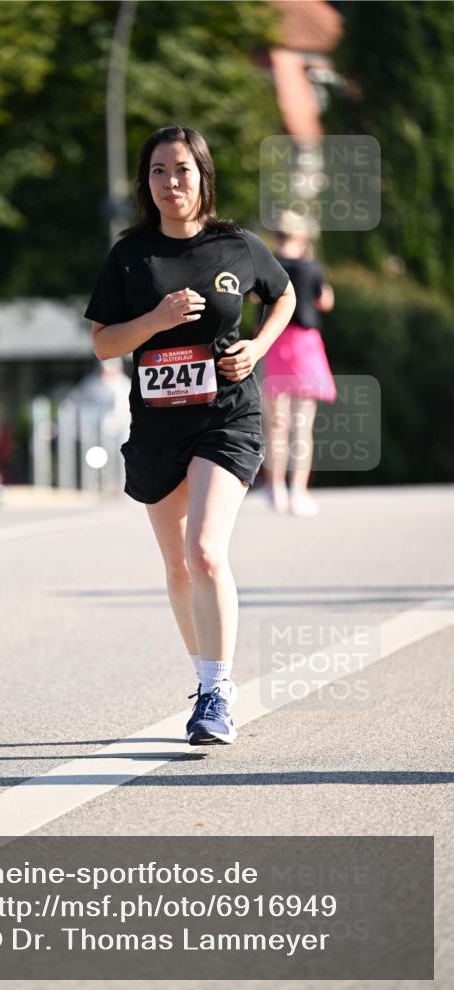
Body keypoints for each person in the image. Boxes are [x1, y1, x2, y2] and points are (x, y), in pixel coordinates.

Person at [85, 126, 295, 745]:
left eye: (181, 169)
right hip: (157, 428)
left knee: (205, 550)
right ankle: (204, 675)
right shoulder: (130, 255)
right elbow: (102, 344)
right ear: (145, 182)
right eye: (157, 171)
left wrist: (256, 347)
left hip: (226, 417)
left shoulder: (238, 246)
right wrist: (155, 320)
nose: (170, 182)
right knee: (178, 568)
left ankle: (217, 691)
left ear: (203, 175)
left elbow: (281, 298)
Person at [260, 211, 336, 516]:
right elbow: (325, 301)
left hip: (273, 339)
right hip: (304, 345)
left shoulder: (268, 265)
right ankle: (298, 492)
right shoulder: (311, 267)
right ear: (302, 237)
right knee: (301, 424)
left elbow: (255, 297)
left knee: (276, 424)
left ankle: (275, 489)